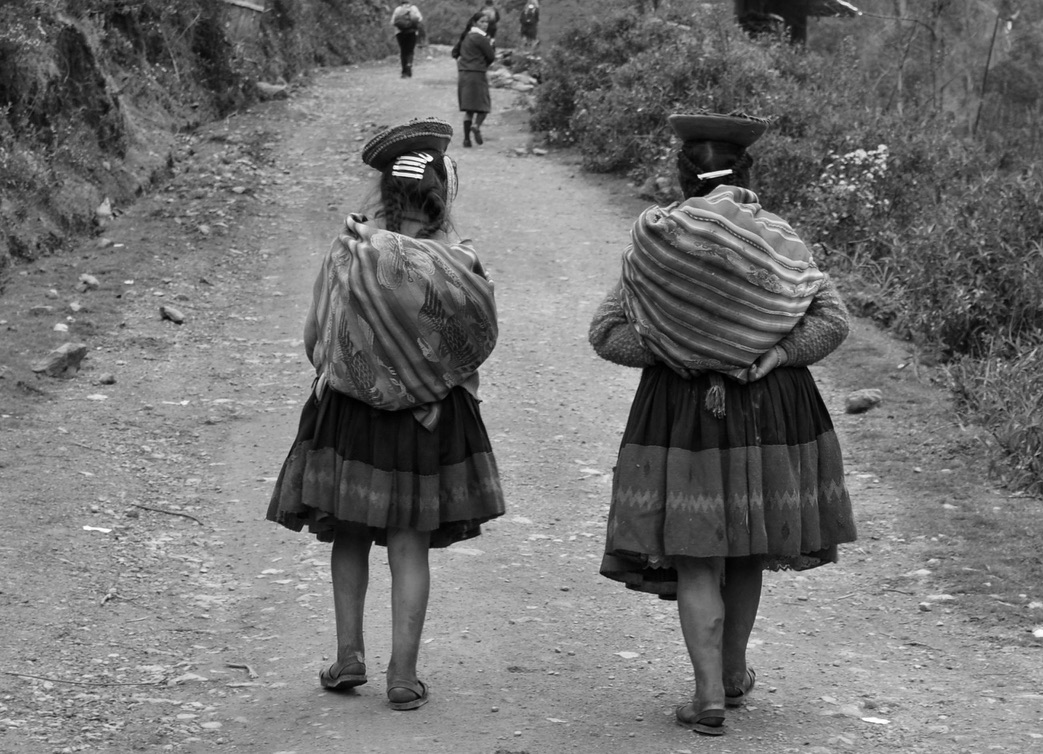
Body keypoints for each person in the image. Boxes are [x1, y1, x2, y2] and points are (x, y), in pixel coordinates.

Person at [588, 112, 857, 736]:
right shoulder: (780, 238)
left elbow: (607, 334)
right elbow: (833, 321)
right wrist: (776, 352)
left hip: (683, 414)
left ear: (682, 175)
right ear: (748, 173)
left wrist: (679, 348)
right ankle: (733, 675)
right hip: (769, 413)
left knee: (696, 556)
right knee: (746, 551)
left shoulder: (657, 241)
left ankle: (709, 694)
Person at [267, 117, 506, 712]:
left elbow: (315, 337)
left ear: (385, 191)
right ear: (441, 196)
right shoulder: (459, 260)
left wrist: (365, 370)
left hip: (350, 414)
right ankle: (403, 675)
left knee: (349, 534)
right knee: (408, 545)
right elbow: (476, 342)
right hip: (429, 419)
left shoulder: (350, 249)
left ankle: (349, 656)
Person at [454, 13, 495, 148]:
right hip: (477, 74)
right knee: (484, 106)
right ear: (476, 23)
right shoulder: (481, 38)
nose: (485, 24)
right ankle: (476, 126)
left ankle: (466, 140)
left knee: (469, 109)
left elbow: (455, 53)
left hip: (464, 75)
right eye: (482, 21)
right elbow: (491, 56)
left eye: (486, 22)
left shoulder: (466, 36)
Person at [391, 2, 423, 78]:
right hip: (412, 32)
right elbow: (420, 19)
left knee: (403, 51)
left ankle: (404, 72)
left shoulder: (398, 9)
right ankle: (409, 65)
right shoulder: (414, 8)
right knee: (410, 51)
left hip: (400, 33)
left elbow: (392, 22)